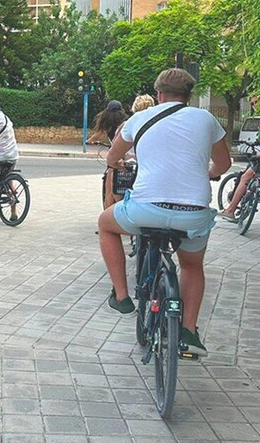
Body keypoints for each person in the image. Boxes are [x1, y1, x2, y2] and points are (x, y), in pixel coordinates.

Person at [98, 69, 232, 357]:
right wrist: (208, 172)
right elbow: (223, 164)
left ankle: (121, 296)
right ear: (189, 95)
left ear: (158, 94)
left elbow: (112, 156)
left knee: (105, 224)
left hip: (146, 210)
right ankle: (189, 331)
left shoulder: (138, 119)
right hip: (192, 213)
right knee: (192, 266)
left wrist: (119, 165)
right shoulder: (206, 119)